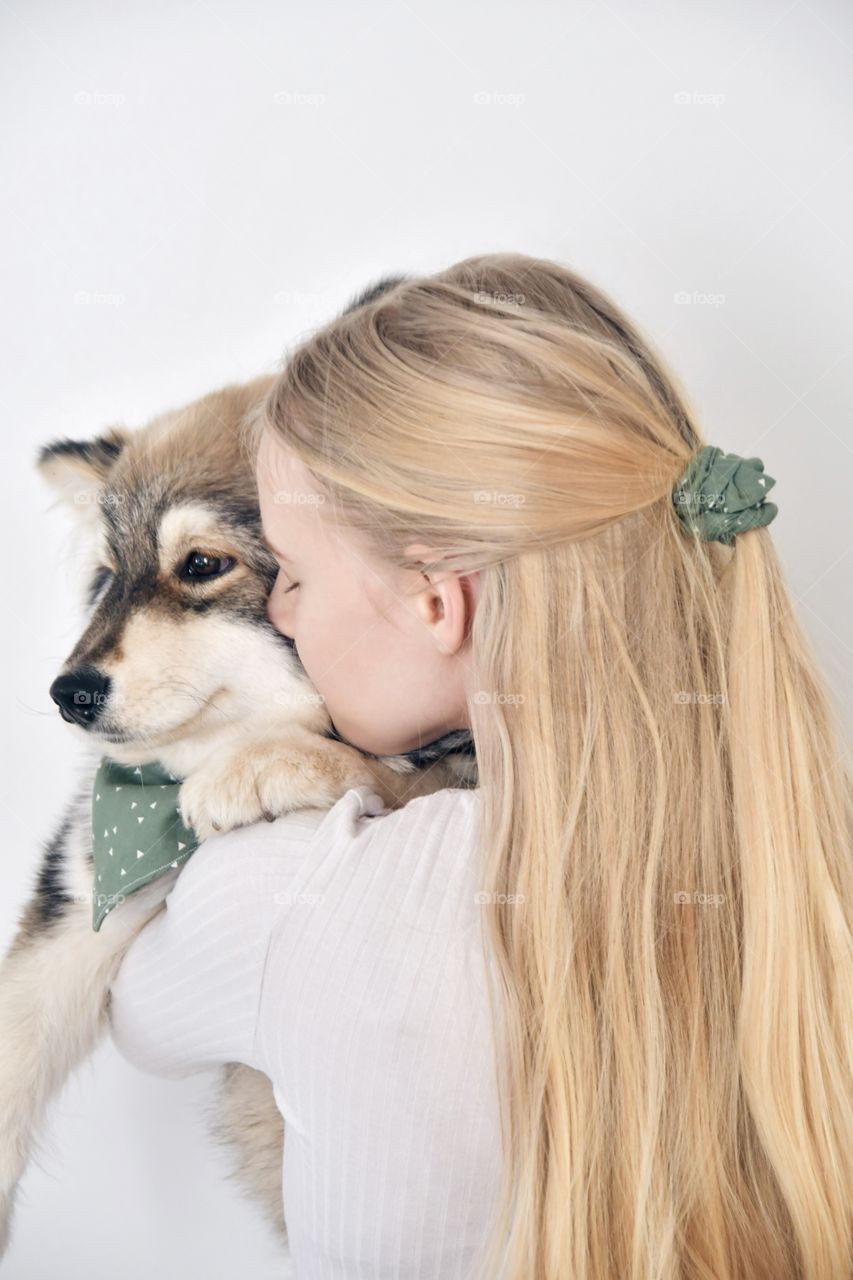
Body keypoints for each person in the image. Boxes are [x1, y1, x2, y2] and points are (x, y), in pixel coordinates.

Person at [108, 253, 853, 1280]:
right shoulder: (812, 858)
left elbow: (137, 1008)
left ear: (434, 599)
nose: (278, 612)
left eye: (297, 576)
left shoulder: (297, 889)